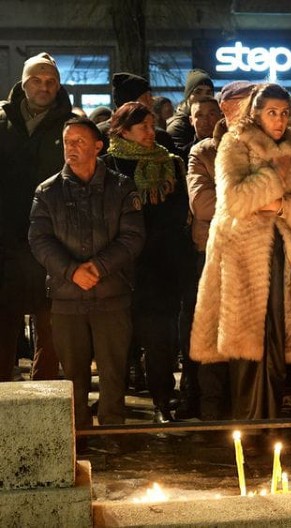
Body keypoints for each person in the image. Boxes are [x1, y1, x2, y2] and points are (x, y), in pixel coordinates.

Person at [190, 83, 291, 420]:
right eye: (271, 112)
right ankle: (246, 430)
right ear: (255, 112)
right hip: (242, 258)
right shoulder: (235, 144)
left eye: (284, 113)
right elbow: (234, 200)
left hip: (283, 257)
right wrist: (273, 176)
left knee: (277, 349)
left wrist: (282, 205)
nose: (279, 120)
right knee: (246, 351)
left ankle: (268, 427)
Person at [28, 117, 145, 429]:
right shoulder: (48, 191)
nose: (72, 148)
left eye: (80, 141)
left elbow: (132, 236)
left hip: (112, 295)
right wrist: (71, 271)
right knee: (74, 373)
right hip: (67, 298)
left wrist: (99, 266)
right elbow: (39, 239)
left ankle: (113, 430)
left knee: (113, 370)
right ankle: (78, 433)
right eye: (68, 142)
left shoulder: (121, 187)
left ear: (98, 146)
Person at [102, 102, 191, 423]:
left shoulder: (170, 165)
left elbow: (177, 212)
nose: (151, 133)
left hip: (160, 267)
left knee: (159, 340)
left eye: (153, 126)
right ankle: (116, 406)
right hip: (119, 267)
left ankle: (162, 399)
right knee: (118, 343)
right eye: (143, 128)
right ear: (123, 130)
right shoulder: (108, 166)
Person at [0, 52, 73, 382]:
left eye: (51, 82)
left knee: (51, 329)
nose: (44, 87)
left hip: (52, 241)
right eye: (37, 80)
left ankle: (45, 407)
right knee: (3, 326)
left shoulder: (70, 125)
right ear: (23, 82)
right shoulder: (1, 120)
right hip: (5, 243)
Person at [186, 81, 253, 421]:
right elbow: (202, 203)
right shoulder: (203, 152)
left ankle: (244, 412)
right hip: (212, 252)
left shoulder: (259, 149)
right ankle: (212, 412)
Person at [166, 69, 214, 151]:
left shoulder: (215, 118)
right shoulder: (178, 126)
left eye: (208, 93)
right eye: (198, 92)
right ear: (188, 96)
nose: (203, 96)